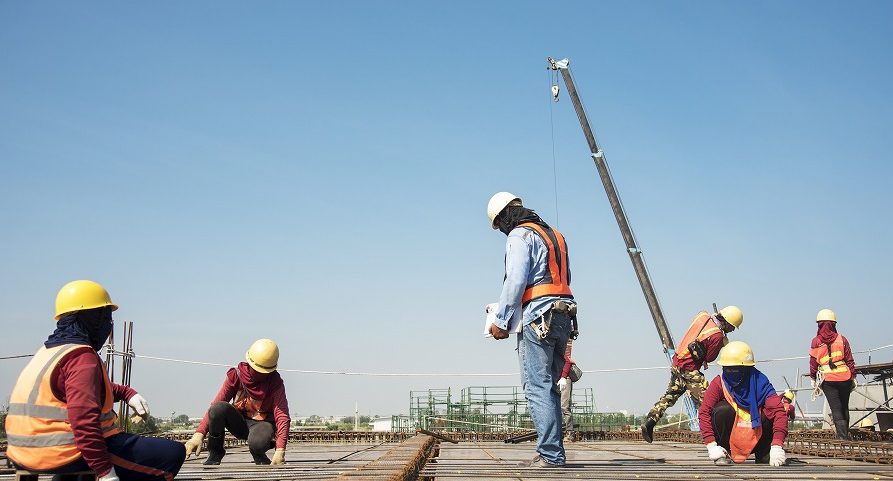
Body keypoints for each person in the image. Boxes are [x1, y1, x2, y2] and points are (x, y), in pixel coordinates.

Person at [5, 280, 186, 481]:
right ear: (92, 318)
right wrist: (106, 473)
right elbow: (84, 424)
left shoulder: (48, 352)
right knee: (171, 455)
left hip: (22, 454)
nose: (108, 325)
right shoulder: (81, 358)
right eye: (105, 317)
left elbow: (81, 390)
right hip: (66, 453)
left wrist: (127, 393)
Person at [486, 192, 577, 468]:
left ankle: (550, 455)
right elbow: (564, 278)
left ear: (503, 217)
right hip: (564, 315)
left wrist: (501, 321)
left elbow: (515, 280)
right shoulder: (556, 236)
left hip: (539, 318)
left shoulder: (519, 236)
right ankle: (553, 453)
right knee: (551, 388)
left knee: (537, 387)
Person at [642, 306, 743, 443]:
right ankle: (719, 439)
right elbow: (710, 357)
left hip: (678, 363)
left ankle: (650, 421)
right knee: (710, 402)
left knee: (669, 396)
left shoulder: (703, 316)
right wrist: (722, 344)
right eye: (732, 327)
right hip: (690, 370)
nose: (732, 330)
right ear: (727, 322)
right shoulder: (717, 336)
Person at [184, 339, 290, 465]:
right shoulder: (236, 376)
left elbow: (282, 416)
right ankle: (216, 452)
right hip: (239, 423)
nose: (260, 375)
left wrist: (280, 450)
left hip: (261, 426)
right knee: (218, 408)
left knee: (257, 443)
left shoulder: (275, 383)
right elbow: (216, 405)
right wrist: (198, 434)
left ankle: (258, 453)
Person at [699, 341, 788, 466]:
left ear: (746, 369)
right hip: (729, 440)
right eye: (726, 368)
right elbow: (704, 412)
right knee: (722, 410)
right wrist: (711, 445)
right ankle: (724, 452)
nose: (729, 372)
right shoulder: (719, 383)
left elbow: (779, 412)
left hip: (758, 437)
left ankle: (764, 453)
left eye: (734, 369)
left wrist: (777, 444)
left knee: (769, 414)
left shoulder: (761, 383)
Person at [809, 308, 856, 440]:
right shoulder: (842, 339)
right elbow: (849, 360)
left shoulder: (816, 341)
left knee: (836, 408)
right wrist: (852, 376)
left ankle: (842, 438)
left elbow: (813, 362)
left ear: (820, 325)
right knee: (844, 406)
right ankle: (845, 434)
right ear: (834, 324)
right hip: (845, 377)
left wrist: (813, 377)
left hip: (828, 379)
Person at [557, 338, 578, 442]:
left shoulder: (559, 350)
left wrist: (564, 377)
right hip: (557, 379)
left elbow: (568, 361)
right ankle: (559, 432)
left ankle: (570, 433)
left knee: (564, 407)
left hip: (564, 380)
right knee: (557, 407)